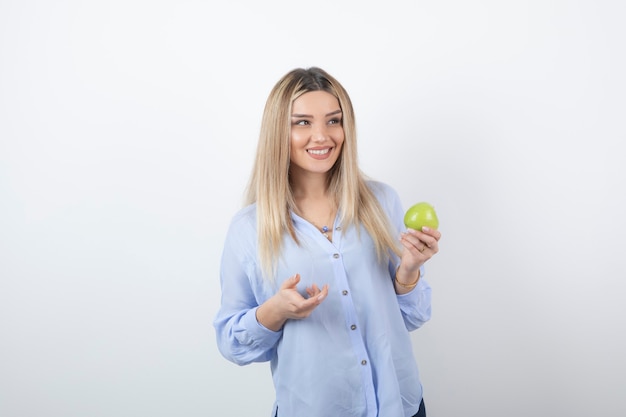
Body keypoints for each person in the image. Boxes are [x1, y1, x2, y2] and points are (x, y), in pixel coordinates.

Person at [213, 67, 441, 417]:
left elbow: (412, 317)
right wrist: (276, 310)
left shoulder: (382, 202)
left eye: (333, 121)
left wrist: (409, 271)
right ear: (278, 132)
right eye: (302, 122)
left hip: (400, 405)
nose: (321, 136)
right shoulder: (248, 229)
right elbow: (231, 344)